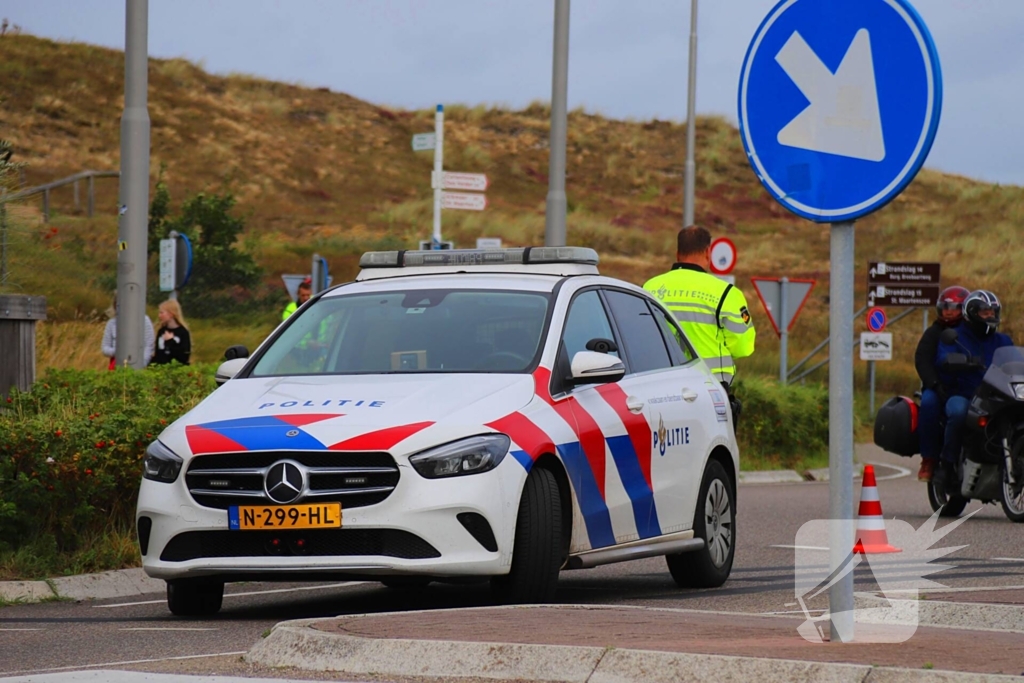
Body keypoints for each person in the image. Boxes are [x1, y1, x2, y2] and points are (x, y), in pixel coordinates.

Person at [643, 225, 756, 385]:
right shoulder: (726, 293)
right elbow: (742, 347)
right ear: (708, 253)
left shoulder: (650, 287)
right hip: (712, 387)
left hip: (662, 384)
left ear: (677, 253)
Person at [933, 289, 1013, 494]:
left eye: (993, 311)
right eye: (985, 312)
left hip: (996, 396)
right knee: (958, 413)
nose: (991, 316)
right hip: (964, 393)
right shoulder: (955, 337)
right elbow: (944, 358)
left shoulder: (1004, 341)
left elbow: (1014, 362)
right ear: (972, 313)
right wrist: (960, 361)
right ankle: (946, 465)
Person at [914, 285, 969, 481]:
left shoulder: (972, 331)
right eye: (944, 306)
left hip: (966, 386)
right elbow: (922, 359)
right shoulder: (934, 332)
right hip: (939, 387)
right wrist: (935, 384)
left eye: (953, 306)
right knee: (928, 404)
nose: (948, 311)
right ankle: (928, 458)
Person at [101, 294, 155, 369]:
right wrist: (119, 351)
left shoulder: (144, 321)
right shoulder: (111, 323)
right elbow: (105, 348)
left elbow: (148, 346)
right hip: (116, 365)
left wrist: (142, 364)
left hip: (138, 365)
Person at [151, 299, 192, 366]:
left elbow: (184, 356)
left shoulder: (183, 332)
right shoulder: (161, 331)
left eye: (162, 313)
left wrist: (170, 341)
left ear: (171, 314)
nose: (159, 316)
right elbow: (158, 353)